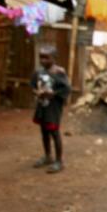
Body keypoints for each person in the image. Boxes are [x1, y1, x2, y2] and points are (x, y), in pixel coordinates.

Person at [31, 45, 71, 173]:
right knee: (44, 131)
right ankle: (48, 156)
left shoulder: (59, 72)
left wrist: (53, 94)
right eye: (41, 58)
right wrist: (37, 92)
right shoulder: (38, 72)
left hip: (53, 107)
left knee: (54, 132)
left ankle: (59, 161)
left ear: (54, 58)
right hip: (42, 105)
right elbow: (32, 85)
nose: (43, 61)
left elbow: (66, 89)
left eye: (46, 58)